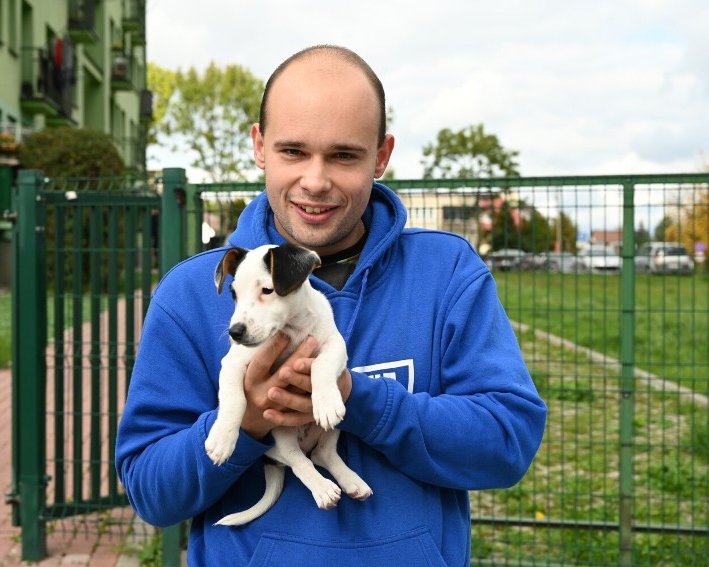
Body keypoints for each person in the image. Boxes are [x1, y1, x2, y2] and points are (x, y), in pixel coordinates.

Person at [116, 45, 547, 566]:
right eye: (293, 151)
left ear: (381, 155)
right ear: (259, 146)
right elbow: (150, 491)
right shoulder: (192, 294)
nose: (315, 180)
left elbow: (508, 442)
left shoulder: (447, 274)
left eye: (344, 155)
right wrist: (250, 418)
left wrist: (357, 398)